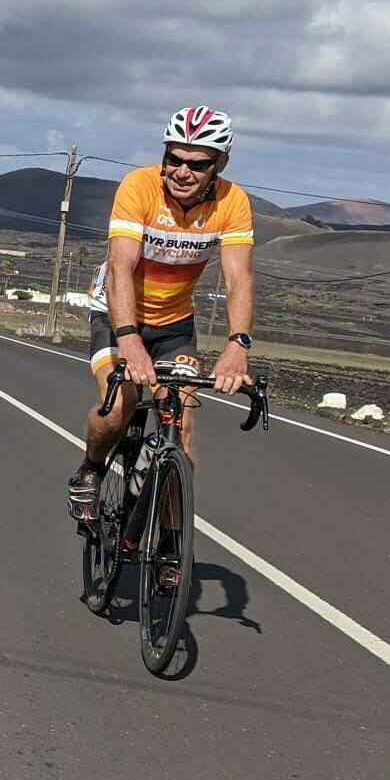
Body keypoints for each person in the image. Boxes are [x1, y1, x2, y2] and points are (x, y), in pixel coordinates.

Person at [68, 106, 255, 518]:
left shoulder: (233, 201)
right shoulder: (139, 187)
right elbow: (120, 267)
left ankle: (170, 547)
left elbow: (239, 278)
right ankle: (92, 468)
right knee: (119, 407)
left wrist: (238, 345)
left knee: (181, 431)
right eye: (174, 159)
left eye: (198, 164)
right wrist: (130, 339)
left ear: (219, 165)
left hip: (174, 326)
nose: (182, 172)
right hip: (117, 315)